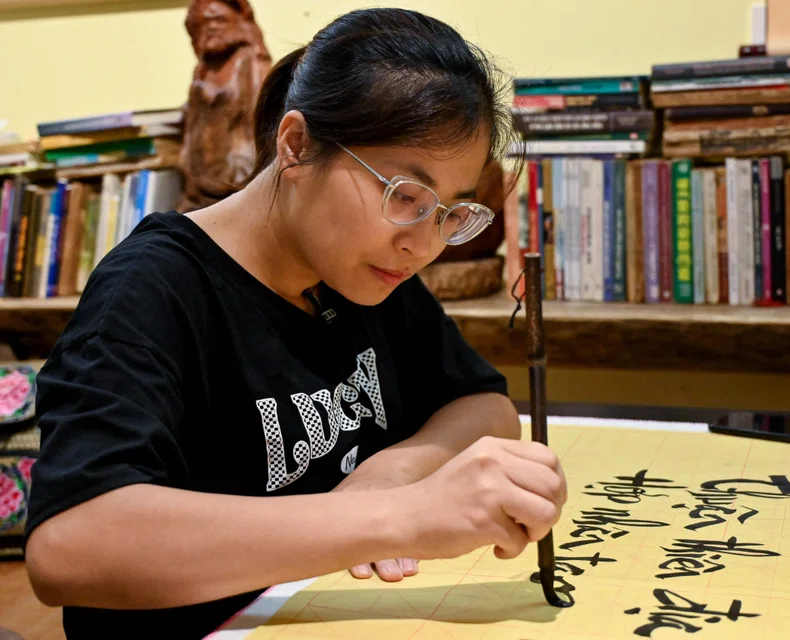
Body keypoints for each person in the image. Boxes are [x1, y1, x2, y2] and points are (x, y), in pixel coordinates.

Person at [24, 8, 567, 638]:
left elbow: (483, 406)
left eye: (451, 212)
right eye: (405, 196)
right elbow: (69, 544)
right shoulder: (153, 290)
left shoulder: (365, 272)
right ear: (297, 145)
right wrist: (403, 517)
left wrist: (386, 477)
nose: (423, 246)